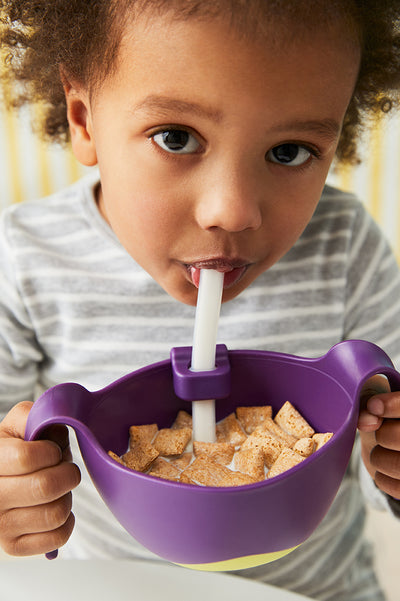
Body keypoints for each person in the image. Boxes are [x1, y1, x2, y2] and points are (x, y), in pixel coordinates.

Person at [0, 1, 399, 599]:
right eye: (177, 137)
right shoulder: (26, 261)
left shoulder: (344, 248)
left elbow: (380, 469)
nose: (232, 211)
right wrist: (15, 492)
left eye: (288, 151)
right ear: (83, 119)